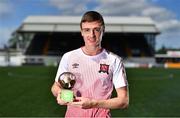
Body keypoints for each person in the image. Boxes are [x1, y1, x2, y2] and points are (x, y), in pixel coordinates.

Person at [51, 11, 129, 117]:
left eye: (96, 30)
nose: (91, 35)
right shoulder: (68, 57)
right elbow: (55, 87)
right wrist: (59, 93)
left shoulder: (114, 60)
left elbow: (123, 100)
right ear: (81, 32)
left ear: (103, 31)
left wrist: (93, 103)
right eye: (87, 30)